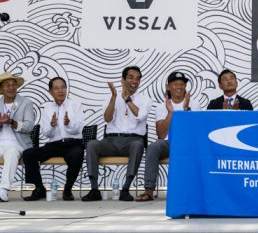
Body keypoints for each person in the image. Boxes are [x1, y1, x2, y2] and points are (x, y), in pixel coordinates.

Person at [82, 66, 153, 202]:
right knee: (92, 144)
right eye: (131, 77)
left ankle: (125, 189)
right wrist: (114, 98)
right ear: (123, 80)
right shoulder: (110, 97)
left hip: (133, 141)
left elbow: (140, 116)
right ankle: (94, 189)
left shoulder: (145, 99)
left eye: (138, 79)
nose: (135, 81)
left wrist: (127, 100)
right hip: (111, 142)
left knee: (138, 145)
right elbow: (107, 119)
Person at [136, 71, 202, 202]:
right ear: (168, 87)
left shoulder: (194, 104)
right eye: (175, 83)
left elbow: (193, 132)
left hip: (188, 143)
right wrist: (171, 112)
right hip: (168, 143)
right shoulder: (161, 106)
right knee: (154, 147)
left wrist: (186, 109)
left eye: (182, 84)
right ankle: (149, 190)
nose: (179, 86)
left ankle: (193, 190)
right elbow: (161, 134)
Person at [23, 77, 86, 201]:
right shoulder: (47, 108)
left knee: (77, 154)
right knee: (28, 154)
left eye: (63, 87)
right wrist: (52, 126)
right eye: (56, 88)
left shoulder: (75, 105)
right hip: (53, 145)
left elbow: (79, 129)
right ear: (50, 92)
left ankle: (67, 189)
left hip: (73, 143)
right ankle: (39, 188)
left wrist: (68, 123)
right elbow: (46, 133)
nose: (61, 90)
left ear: (66, 89)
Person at [0, 71, 36, 202]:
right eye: (7, 85)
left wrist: (12, 122)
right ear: (2, 89)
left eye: (13, 84)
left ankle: (3, 191)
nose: (11, 88)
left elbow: (29, 127)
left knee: (11, 152)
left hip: (17, 143)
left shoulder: (25, 102)